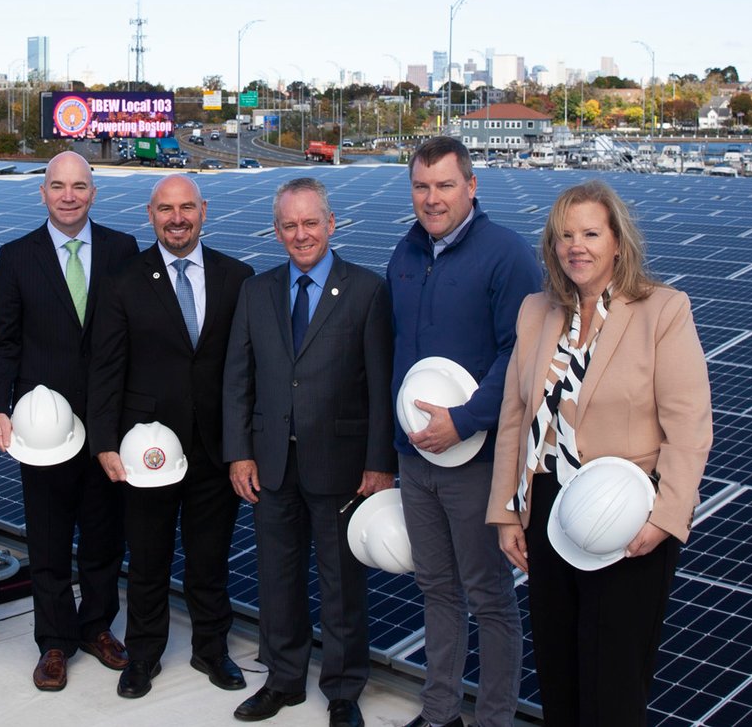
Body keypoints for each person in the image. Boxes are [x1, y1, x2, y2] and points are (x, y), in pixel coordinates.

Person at [488, 181, 712, 727]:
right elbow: (515, 418)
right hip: (548, 507)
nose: (576, 246)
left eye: (590, 232)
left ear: (618, 242)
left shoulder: (662, 310)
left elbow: (689, 426)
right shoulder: (536, 311)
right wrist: (507, 513)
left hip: (627, 516)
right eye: (565, 235)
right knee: (560, 674)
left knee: (613, 682)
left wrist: (667, 518)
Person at [223, 177, 394, 727]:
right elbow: (238, 379)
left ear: (331, 223)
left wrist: (379, 461)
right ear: (276, 232)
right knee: (278, 577)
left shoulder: (367, 290)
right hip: (271, 463)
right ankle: (283, 680)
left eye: (310, 223)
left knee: (341, 581)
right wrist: (239, 454)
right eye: (290, 226)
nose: (301, 235)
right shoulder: (257, 291)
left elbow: (379, 383)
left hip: (341, 465)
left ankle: (343, 691)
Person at [387, 138, 542, 727]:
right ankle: (440, 712)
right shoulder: (405, 252)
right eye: (422, 186)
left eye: (445, 185)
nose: (433, 199)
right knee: (436, 589)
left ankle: (495, 719)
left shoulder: (506, 255)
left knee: (490, 597)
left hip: (476, 459)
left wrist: (465, 420)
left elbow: (522, 352)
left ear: (471, 186)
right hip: (414, 456)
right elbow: (397, 351)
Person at [87, 174, 254, 699]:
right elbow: (106, 368)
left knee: (210, 559)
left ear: (203, 210)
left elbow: (245, 370)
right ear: (150, 213)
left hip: (215, 449)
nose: (176, 218)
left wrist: (243, 446)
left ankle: (211, 649)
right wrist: (105, 442)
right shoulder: (123, 279)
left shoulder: (237, 277)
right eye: (166, 209)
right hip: (147, 450)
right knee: (149, 559)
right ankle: (142, 656)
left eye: (186, 207)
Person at [0, 151, 140, 692]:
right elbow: (2, 342)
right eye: (58, 186)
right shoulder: (16, 256)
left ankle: (97, 626)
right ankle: (54, 642)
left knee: (104, 535)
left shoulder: (124, 250)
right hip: (41, 429)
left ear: (93, 192)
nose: (69, 195)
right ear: (43, 193)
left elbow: (133, 339)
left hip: (107, 422)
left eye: (79, 185)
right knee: (48, 540)